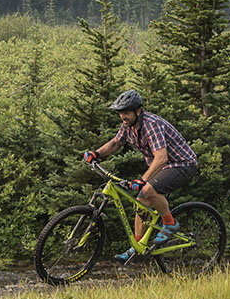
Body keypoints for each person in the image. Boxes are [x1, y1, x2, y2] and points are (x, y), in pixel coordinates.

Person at [81, 89, 199, 261]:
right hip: (163, 166)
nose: (123, 117)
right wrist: (96, 153)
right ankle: (137, 246)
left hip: (183, 164)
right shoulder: (128, 126)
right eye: (121, 113)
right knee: (141, 201)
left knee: (149, 189)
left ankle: (170, 223)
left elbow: (161, 158)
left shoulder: (152, 125)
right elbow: (115, 143)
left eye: (127, 113)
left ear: (138, 111)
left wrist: (142, 180)